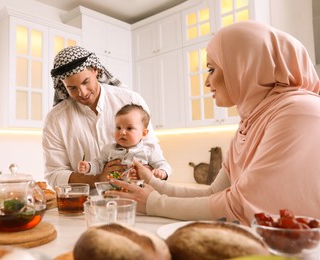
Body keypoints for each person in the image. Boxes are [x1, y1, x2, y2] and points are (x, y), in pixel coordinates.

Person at [106, 21, 320, 226]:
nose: (207, 81)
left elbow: (238, 205)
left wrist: (154, 203)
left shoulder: (298, 112)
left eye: (211, 69)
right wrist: (153, 183)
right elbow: (215, 194)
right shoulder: (251, 122)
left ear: (243, 66)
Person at [42, 46, 170, 188]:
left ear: (95, 70)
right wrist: (99, 178)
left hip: (137, 198)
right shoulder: (55, 119)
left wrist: (151, 172)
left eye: (86, 82)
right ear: (62, 86)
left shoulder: (131, 100)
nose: (82, 93)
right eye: (72, 88)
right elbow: (54, 175)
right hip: (86, 203)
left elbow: (150, 148)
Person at [77, 103, 171, 179]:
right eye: (118, 127)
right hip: (114, 193)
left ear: (144, 133)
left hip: (141, 193)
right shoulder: (108, 149)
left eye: (129, 128)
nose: (122, 132)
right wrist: (89, 167)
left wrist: (162, 172)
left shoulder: (149, 150)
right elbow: (98, 164)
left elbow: (163, 164)